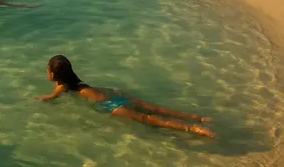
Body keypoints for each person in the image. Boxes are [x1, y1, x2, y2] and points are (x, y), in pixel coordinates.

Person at [39, 55, 214, 138]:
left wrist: (41, 100)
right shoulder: (79, 84)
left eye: (47, 70)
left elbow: (51, 98)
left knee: (147, 118)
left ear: (52, 75)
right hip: (111, 95)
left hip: (110, 106)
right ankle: (197, 118)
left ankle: (193, 129)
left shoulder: (62, 88)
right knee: (155, 108)